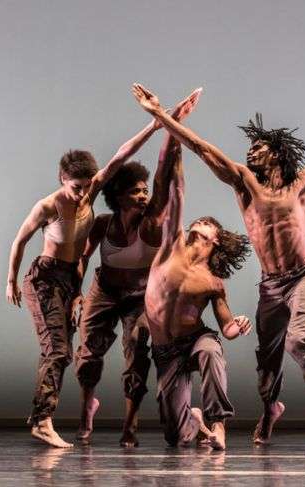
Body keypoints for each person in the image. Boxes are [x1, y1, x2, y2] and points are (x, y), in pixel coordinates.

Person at [132, 82, 305, 451]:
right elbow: (203, 149)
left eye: (258, 147)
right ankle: (270, 408)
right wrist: (160, 115)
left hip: (304, 275)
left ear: (276, 153)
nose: (251, 151)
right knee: (267, 364)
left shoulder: (301, 183)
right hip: (270, 285)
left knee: (299, 339)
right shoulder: (245, 184)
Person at [5, 98, 191, 447]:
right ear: (63, 180)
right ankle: (62, 413)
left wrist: (158, 124)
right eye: (75, 187)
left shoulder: (118, 209)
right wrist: (17, 281)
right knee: (71, 352)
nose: (81, 193)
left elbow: (125, 156)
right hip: (70, 282)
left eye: (87, 186)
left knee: (113, 348)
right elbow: (38, 246)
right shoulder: (66, 211)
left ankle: (114, 422)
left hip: (105, 288)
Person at [74, 89, 201, 447]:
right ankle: (88, 408)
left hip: (140, 296)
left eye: (144, 190)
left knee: (136, 348)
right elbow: (83, 258)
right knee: (88, 354)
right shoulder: (103, 225)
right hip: (104, 290)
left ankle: (129, 424)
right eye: (135, 192)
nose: (143, 196)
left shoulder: (151, 224)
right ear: (118, 196)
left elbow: (164, 180)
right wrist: (76, 297)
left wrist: (170, 123)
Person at [131, 99, 252, 450]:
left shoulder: (213, 282)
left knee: (212, 354)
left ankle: (218, 425)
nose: (196, 225)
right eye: (196, 223)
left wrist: (236, 326)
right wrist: (173, 127)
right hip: (165, 349)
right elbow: (175, 187)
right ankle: (194, 425)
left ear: (215, 239)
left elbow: (226, 327)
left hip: (196, 338)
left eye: (205, 226)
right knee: (175, 436)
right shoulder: (171, 246)